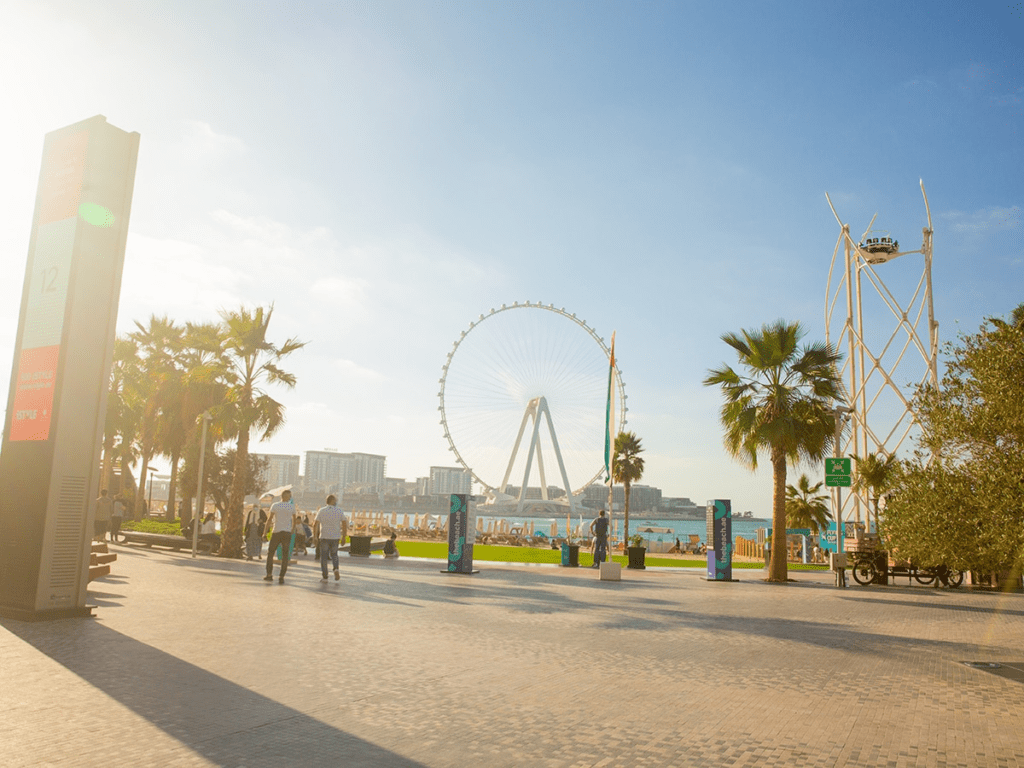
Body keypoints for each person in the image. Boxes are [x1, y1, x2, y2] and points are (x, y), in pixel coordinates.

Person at [264, 490, 297, 584]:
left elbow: (269, 519)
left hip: (276, 532)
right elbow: (294, 520)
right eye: (289, 496)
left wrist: (264, 533)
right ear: (287, 497)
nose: (290, 497)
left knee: (270, 553)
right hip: (286, 533)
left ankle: (269, 575)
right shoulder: (292, 506)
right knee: (285, 555)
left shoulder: (275, 505)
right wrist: (292, 530)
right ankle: (281, 577)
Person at [313, 495, 347, 582]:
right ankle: (336, 569)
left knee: (324, 557)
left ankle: (325, 577)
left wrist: (315, 537)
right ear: (332, 501)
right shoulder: (339, 510)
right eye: (335, 500)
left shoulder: (321, 510)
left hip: (324, 536)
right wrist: (344, 536)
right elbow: (344, 523)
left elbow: (315, 524)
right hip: (335, 537)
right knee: (334, 554)